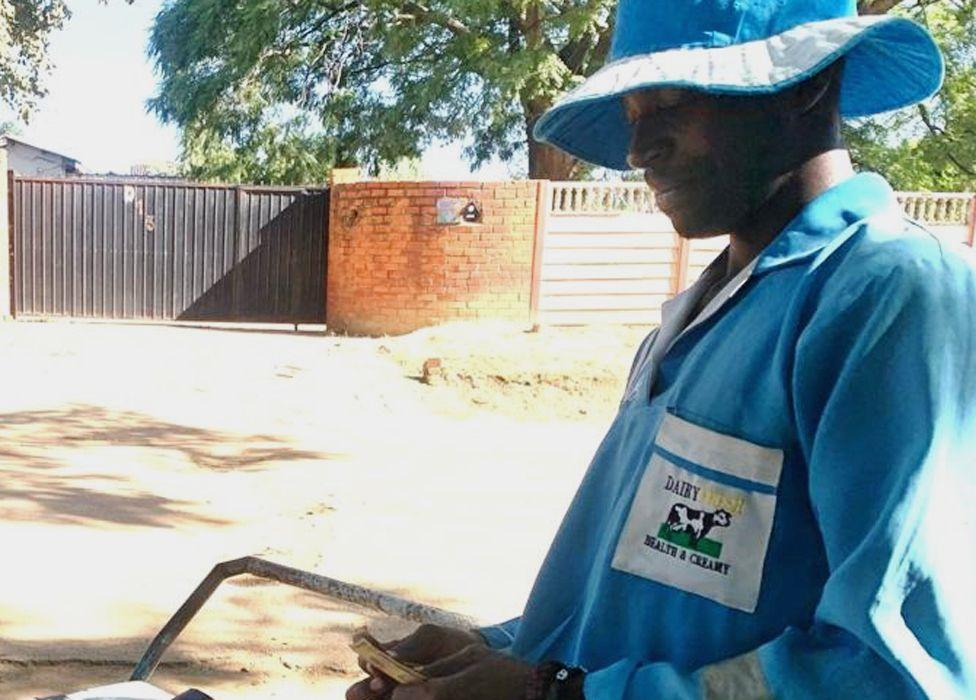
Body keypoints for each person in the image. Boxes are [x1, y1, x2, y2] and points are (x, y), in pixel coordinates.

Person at [348, 0, 976, 698]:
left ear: (807, 85)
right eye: (631, 115)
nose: (638, 150)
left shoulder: (887, 294)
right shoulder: (695, 318)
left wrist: (555, 694)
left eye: (674, 102)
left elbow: (893, 673)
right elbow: (641, 599)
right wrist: (494, 656)